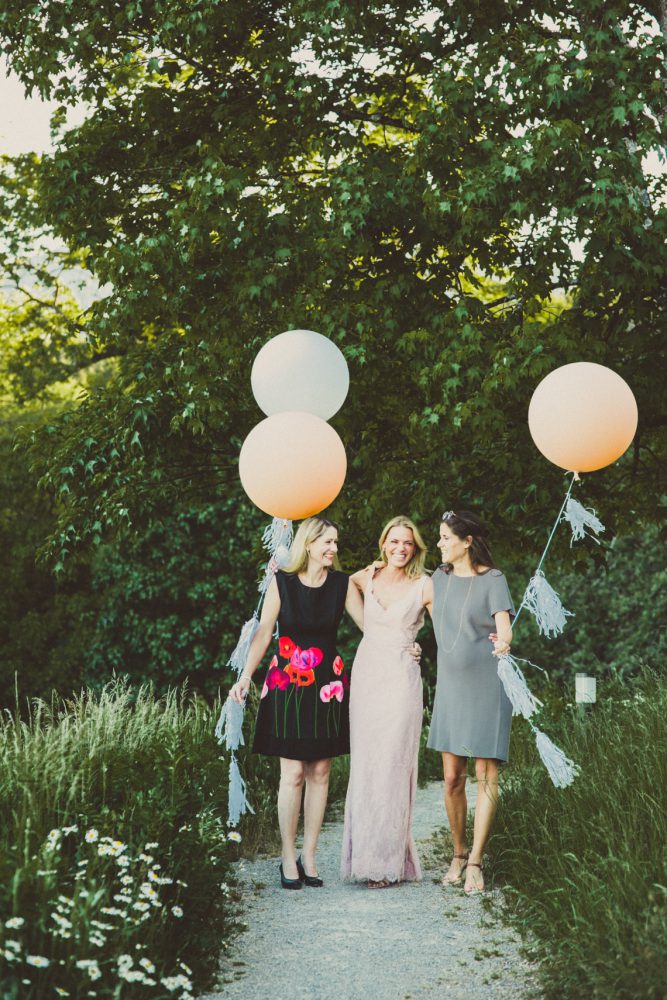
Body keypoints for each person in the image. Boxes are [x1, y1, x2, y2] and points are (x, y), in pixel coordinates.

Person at [229, 516, 363, 890]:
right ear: (308, 544)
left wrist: (406, 644)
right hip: (287, 682)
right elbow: (261, 635)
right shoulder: (282, 583)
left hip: (327, 685)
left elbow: (371, 626)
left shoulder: (342, 584)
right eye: (327, 542)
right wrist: (244, 678)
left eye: (336, 542)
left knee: (321, 772)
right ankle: (288, 855)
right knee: (292, 773)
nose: (334, 549)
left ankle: (310, 854)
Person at [427, 509, 514, 894]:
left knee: (486, 775)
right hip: (450, 687)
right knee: (451, 778)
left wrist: (505, 643)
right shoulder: (436, 579)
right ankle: (458, 852)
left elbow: (504, 627)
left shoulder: (493, 579)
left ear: (466, 542)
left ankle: (476, 861)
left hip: (487, 684)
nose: (440, 544)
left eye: (446, 538)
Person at [341, 515, 431, 888]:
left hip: (400, 679)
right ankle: (362, 857)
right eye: (393, 542)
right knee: (366, 764)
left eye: (407, 543)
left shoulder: (425, 584)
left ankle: (387, 862)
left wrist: (418, 644)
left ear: (416, 548)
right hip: (367, 676)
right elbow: (346, 584)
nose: (400, 549)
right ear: (383, 544)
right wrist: (370, 629)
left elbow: (445, 626)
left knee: (393, 766)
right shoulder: (366, 577)